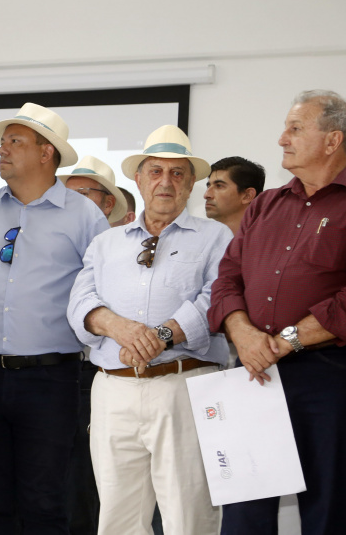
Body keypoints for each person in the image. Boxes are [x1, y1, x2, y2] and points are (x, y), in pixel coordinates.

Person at [209, 90, 346, 535]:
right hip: (254, 371)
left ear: (332, 140)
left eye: (294, 128)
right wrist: (245, 335)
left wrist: (284, 341)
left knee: (326, 516)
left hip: (331, 376)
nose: (281, 139)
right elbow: (227, 279)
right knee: (243, 518)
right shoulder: (264, 205)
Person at [0, 103, 108, 534]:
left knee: (45, 505)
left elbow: (101, 293)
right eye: (3, 141)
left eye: (15, 141)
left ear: (46, 152)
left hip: (51, 380)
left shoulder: (84, 216)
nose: (3, 149)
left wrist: (36, 328)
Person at [67, 124, 230, 535]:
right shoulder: (106, 243)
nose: (165, 182)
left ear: (190, 184)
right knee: (116, 519)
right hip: (113, 389)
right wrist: (120, 328)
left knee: (189, 516)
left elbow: (218, 297)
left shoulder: (216, 236)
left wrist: (161, 336)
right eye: (155, 171)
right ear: (138, 180)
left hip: (184, 386)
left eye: (177, 173)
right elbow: (80, 304)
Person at [57, 156, 126, 534]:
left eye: (82, 193)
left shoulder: (123, 251)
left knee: (92, 489)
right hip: (53, 375)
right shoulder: (51, 244)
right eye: (65, 193)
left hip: (101, 374)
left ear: (107, 203)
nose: (71, 201)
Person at [203, 156, 265, 235]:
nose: (206, 195)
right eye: (208, 186)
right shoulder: (201, 239)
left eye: (219, 186)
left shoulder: (267, 239)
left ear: (247, 196)